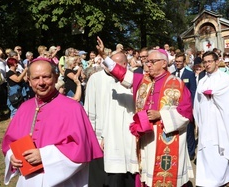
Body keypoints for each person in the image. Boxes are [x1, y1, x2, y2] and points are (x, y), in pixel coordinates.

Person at [96, 36, 194, 187]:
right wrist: (105, 56)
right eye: (147, 61)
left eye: (152, 62)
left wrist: (161, 115)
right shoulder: (144, 81)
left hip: (166, 137)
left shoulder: (176, 83)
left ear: (164, 63)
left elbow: (186, 113)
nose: (148, 65)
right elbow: (122, 73)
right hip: (147, 139)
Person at [1, 57, 103, 186]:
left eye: (46, 77)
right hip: (28, 181)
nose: (41, 82)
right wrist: (12, 157)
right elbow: (10, 143)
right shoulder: (24, 107)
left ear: (55, 77)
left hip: (63, 182)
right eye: (36, 78)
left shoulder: (73, 108)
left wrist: (44, 156)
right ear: (29, 81)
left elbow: (81, 148)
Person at [84, 52, 139, 187]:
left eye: (116, 64)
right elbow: (89, 109)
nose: (111, 67)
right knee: (105, 178)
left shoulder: (132, 80)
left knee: (127, 174)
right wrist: (94, 137)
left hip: (127, 136)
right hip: (101, 135)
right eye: (109, 63)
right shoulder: (96, 79)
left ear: (125, 65)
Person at [193, 51, 229, 187]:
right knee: (208, 150)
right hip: (206, 122)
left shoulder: (225, 79)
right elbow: (197, 103)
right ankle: (209, 180)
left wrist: (215, 93)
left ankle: (225, 178)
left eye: (210, 61)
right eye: (205, 62)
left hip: (221, 121)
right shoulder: (202, 80)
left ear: (217, 62)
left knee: (221, 152)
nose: (207, 64)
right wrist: (199, 121)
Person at [172, 52, 197, 161]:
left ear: (184, 62)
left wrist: (192, 107)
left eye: (180, 62)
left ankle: (190, 152)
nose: (177, 64)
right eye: (176, 62)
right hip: (175, 107)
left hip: (187, 107)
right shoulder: (172, 74)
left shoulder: (189, 74)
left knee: (189, 130)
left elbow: (193, 91)